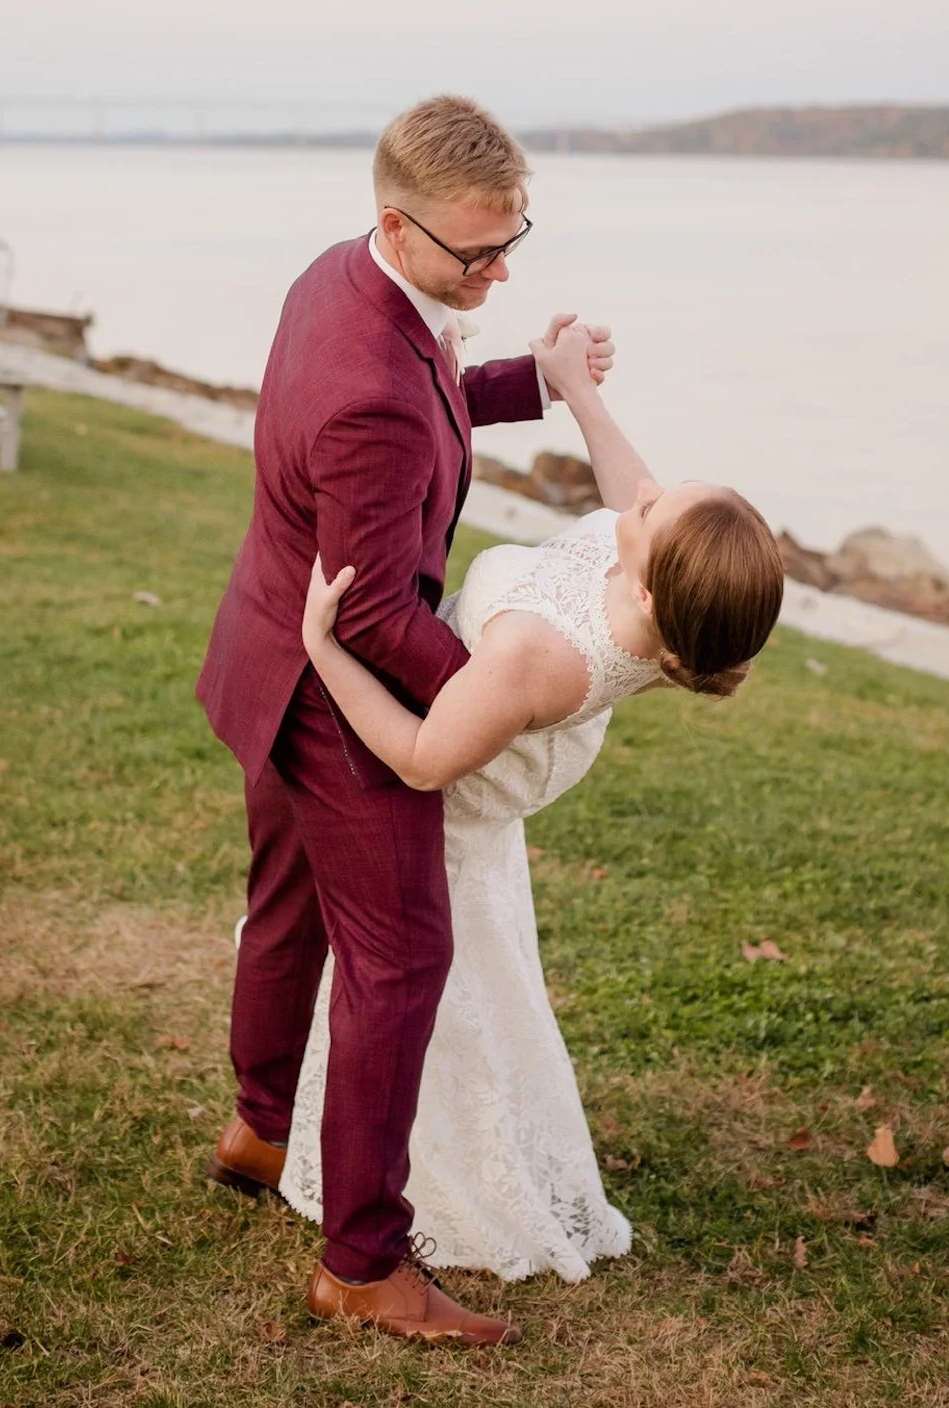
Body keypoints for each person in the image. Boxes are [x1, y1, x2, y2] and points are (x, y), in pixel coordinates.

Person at [195, 95, 613, 1349]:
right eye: (476, 253)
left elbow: (422, 391)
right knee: (400, 957)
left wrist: (530, 380)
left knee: (285, 907)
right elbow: (378, 610)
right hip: (335, 695)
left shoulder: (344, 278)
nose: (498, 269)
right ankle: (364, 1262)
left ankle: (260, 1125)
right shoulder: (369, 383)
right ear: (397, 219)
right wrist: (494, 698)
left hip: (266, 647)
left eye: (513, 240)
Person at [282, 312, 785, 1287]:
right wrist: (573, 387)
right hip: (497, 742)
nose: (641, 493)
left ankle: (439, 1182)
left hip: (452, 791)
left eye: (654, 511)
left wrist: (325, 650)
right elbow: (631, 486)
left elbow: (424, 759)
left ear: (647, 586)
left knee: (436, 993)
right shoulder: (656, 589)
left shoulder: (535, 653)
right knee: (470, 983)